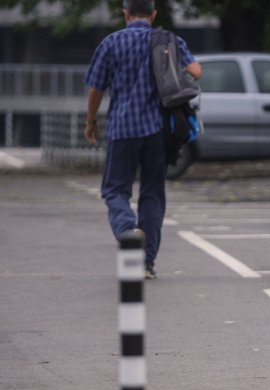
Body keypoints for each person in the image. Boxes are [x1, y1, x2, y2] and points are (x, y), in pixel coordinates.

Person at [84, 0, 202, 279]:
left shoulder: (111, 43)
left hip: (122, 127)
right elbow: (196, 72)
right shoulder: (168, 40)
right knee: (152, 194)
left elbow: (96, 88)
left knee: (114, 190)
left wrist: (90, 122)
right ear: (153, 14)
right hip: (158, 130)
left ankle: (127, 230)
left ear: (125, 14)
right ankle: (146, 263)